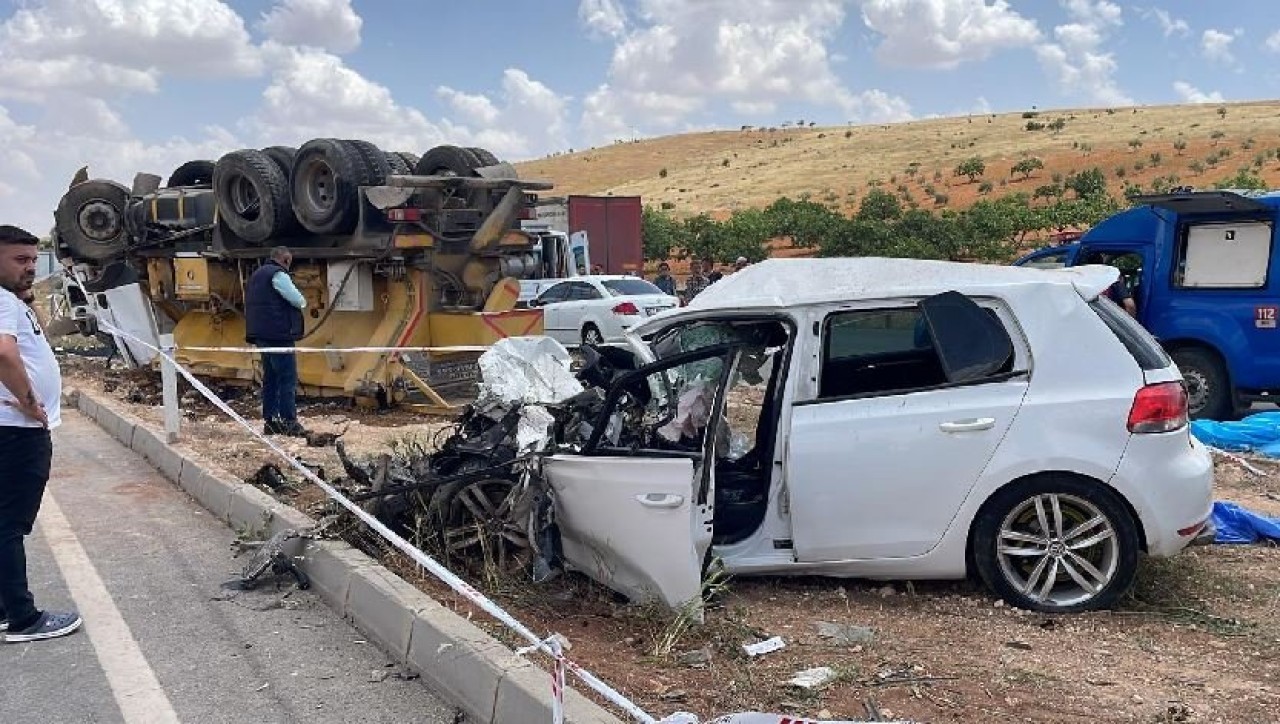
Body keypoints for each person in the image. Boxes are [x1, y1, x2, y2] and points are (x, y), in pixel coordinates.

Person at [0, 224, 82, 643]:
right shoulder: (1, 301)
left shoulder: (12, 300)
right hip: (16, 430)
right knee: (9, 525)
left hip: (11, 426)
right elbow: (3, 351)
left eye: (33, 259)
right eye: (20, 260)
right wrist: (30, 400)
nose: (30, 267)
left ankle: (3, 609)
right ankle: (23, 619)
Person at [245, 247, 307, 436]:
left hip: (261, 335)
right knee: (287, 379)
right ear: (286, 260)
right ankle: (289, 422)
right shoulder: (278, 275)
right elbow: (298, 300)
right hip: (279, 334)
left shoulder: (257, 275)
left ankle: (270, 422)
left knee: (270, 378)